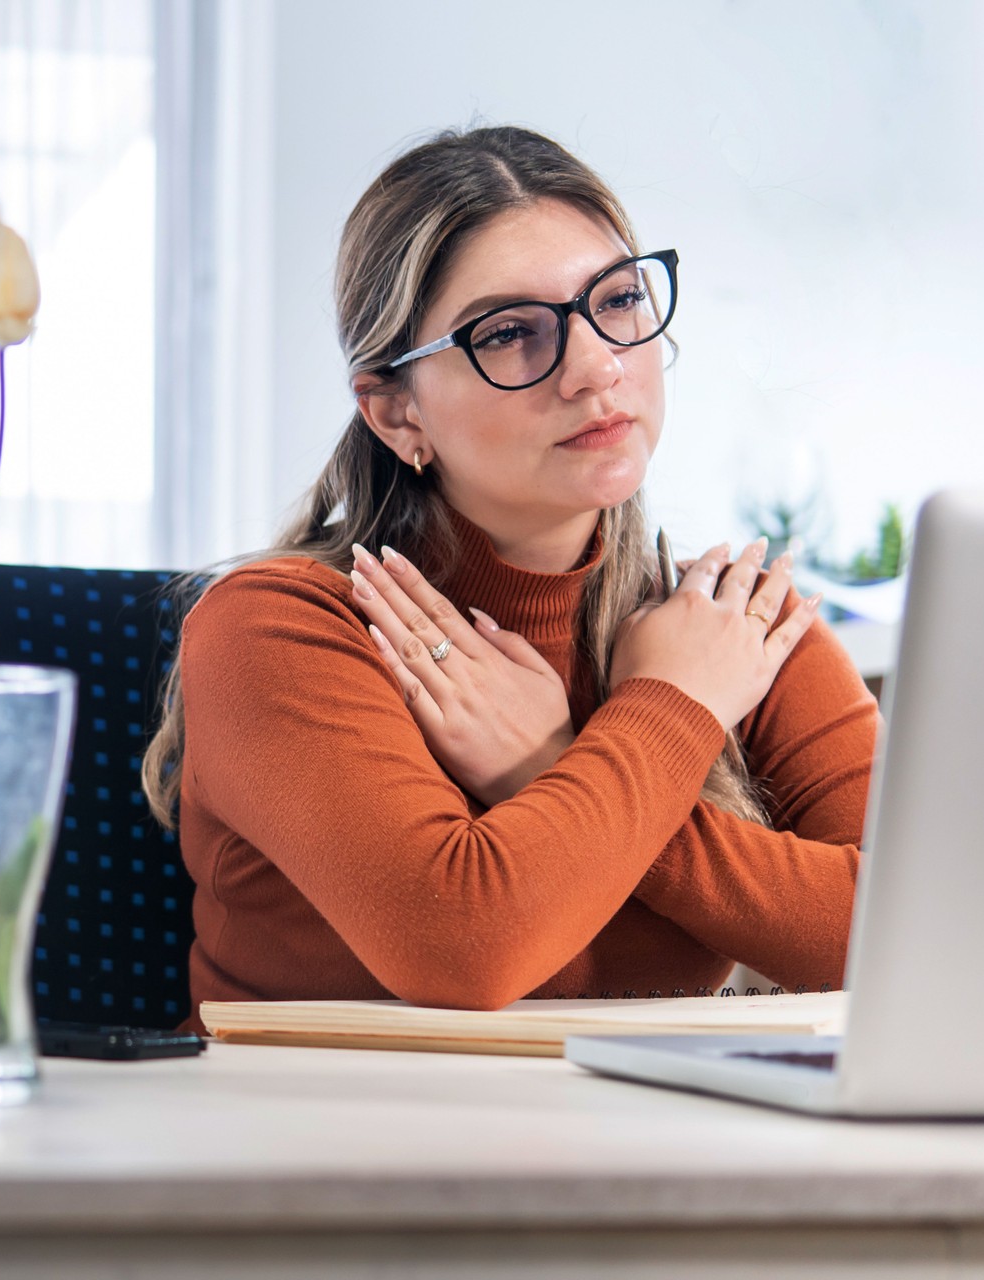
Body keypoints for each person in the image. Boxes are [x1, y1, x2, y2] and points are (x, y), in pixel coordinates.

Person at [141, 126, 878, 1021]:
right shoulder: (275, 630)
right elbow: (462, 948)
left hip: (643, 1146)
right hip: (335, 1146)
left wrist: (553, 766)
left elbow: (910, 941)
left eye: (618, 301)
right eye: (510, 334)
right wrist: (669, 711)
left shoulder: (731, 629)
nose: (596, 367)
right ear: (396, 412)